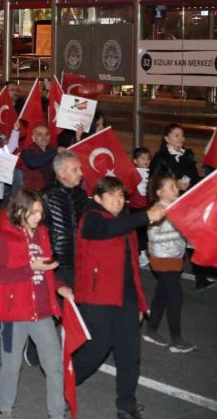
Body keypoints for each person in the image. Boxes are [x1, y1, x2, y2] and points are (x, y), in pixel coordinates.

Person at [72, 176, 166, 419]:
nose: (118, 199)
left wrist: (139, 303)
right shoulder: (92, 219)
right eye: (112, 195)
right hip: (98, 298)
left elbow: (132, 268)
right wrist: (146, 216)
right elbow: (106, 230)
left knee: (130, 354)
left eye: (121, 195)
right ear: (99, 198)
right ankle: (63, 381)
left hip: (126, 299)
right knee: (95, 351)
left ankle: (126, 405)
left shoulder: (125, 225)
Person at [0, 188, 70, 419]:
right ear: (20, 211)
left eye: (40, 212)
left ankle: (56, 413)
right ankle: (4, 409)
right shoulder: (5, 237)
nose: (39, 217)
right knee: (11, 366)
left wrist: (59, 287)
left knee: (55, 366)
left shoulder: (42, 234)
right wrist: (30, 269)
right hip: (12, 314)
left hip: (41, 312)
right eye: (34, 212)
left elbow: (45, 271)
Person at [149, 123, 211, 290]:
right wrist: (175, 184)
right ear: (166, 138)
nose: (181, 139)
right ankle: (169, 276)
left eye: (182, 135)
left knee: (193, 237)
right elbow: (154, 181)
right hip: (169, 205)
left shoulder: (188, 154)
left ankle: (200, 276)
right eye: (176, 135)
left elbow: (195, 176)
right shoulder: (160, 157)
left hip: (188, 202)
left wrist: (193, 184)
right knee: (174, 240)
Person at [143, 175, 195, 353]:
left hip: (174, 256)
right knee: (175, 297)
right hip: (162, 258)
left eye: (176, 186)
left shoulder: (176, 207)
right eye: (171, 187)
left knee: (162, 295)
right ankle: (177, 340)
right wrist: (180, 232)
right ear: (160, 192)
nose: (176, 189)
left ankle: (151, 330)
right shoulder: (156, 210)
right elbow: (153, 237)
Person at [40, 151, 89, 288]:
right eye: (75, 169)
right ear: (61, 172)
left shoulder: (82, 196)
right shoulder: (45, 196)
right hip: (56, 263)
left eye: (80, 168)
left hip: (81, 261)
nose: (81, 173)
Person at [19, 125, 57, 192]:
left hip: (51, 191)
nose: (44, 137)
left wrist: (78, 138)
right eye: (40, 134)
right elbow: (33, 163)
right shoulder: (27, 151)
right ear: (33, 138)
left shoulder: (52, 150)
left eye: (47, 134)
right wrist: (53, 153)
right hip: (34, 193)